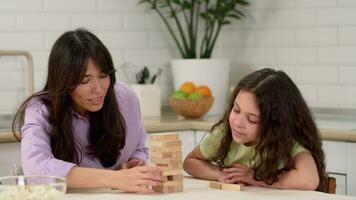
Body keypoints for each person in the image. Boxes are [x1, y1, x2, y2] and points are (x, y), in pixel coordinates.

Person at [12, 28, 165, 193]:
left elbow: (139, 146)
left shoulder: (125, 97)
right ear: (63, 81)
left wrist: (135, 162)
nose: (98, 89)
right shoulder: (41, 109)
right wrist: (114, 178)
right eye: (85, 81)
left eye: (103, 75)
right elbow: (36, 171)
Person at [183, 68, 326, 191]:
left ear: (275, 125)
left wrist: (254, 178)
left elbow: (309, 180)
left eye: (252, 119)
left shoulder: (286, 141)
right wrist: (219, 174)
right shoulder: (225, 132)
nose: (238, 123)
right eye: (236, 109)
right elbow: (190, 161)